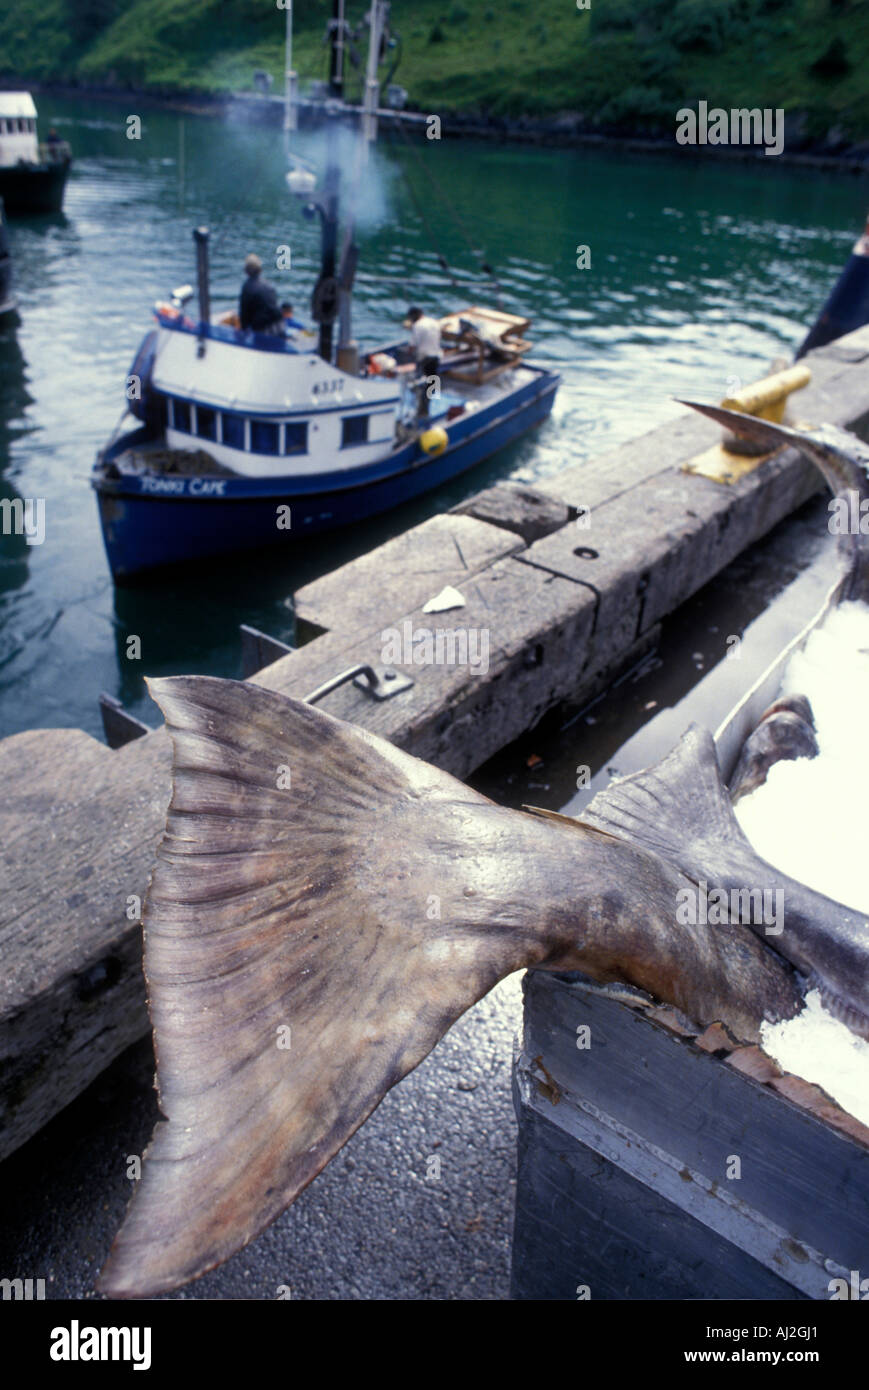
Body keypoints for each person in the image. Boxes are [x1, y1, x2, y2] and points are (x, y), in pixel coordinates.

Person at [403, 306, 441, 417]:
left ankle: (422, 411)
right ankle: (432, 404)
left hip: (424, 357)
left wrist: (409, 353)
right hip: (436, 355)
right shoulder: (434, 322)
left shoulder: (417, 326)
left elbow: (412, 346)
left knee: (421, 383)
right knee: (432, 381)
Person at [239, 254, 283, 335]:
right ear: (260, 269)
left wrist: (242, 333)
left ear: (246, 270)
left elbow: (244, 317)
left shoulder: (247, 287)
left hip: (264, 329)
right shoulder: (268, 284)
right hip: (280, 325)